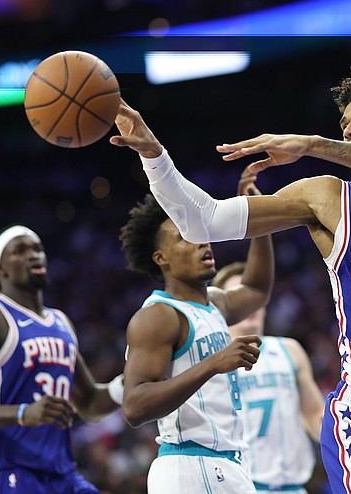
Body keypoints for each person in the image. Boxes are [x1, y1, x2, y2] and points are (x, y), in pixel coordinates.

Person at [110, 60, 351, 493]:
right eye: (344, 123)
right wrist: (153, 154)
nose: (349, 129)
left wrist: (311, 143)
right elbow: (202, 220)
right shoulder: (328, 197)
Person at [0, 224, 124, 493]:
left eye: (38, 249)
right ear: (0, 269)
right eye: (20, 251)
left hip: (61, 476)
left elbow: (91, 403)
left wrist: (128, 383)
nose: (33, 255)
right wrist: (23, 413)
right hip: (5, 472)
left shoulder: (62, 322)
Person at [118, 187, 274, 494]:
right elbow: (134, 407)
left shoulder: (215, 304)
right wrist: (212, 364)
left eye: (200, 232)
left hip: (227, 465)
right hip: (190, 464)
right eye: (184, 237)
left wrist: (258, 218)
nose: (202, 240)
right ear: (161, 258)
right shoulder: (158, 316)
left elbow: (257, 289)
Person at [212, 165, 326, 494]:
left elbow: (315, 414)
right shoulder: (212, 359)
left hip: (293, 486)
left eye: (250, 299)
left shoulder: (288, 349)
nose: (249, 309)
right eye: (236, 299)